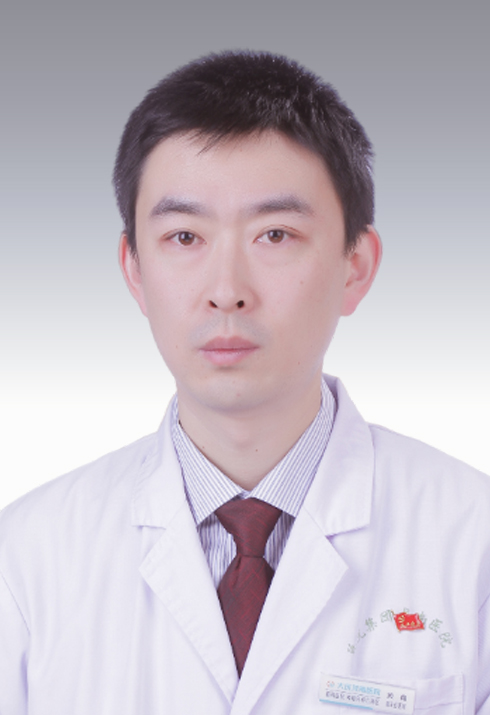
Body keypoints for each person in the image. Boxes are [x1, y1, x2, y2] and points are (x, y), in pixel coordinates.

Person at [1, 50, 489, 715]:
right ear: (134, 270)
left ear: (355, 266)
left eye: (275, 234)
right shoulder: (27, 557)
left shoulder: (473, 541)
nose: (226, 290)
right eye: (184, 237)